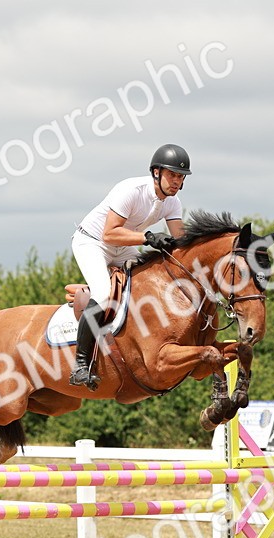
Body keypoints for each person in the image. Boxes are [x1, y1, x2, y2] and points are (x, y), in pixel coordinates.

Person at [69, 143, 190, 390]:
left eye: (180, 177)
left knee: (145, 288)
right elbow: (109, 234)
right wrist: (148, 238)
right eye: (172, 175)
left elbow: (181, 243)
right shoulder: (131, 190)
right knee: (103, 295)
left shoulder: (172, 203)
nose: (176, 181)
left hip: (123, 246)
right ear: (156, 172)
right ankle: (80, 365)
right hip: (93, 242)